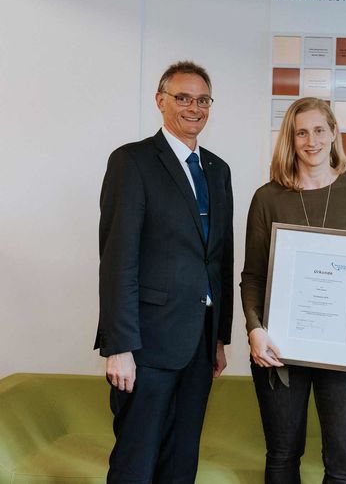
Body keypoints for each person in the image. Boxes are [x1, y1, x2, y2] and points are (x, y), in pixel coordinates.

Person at [95, 60, 233, 483]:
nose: (194, 107)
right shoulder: (132, 162)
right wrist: (119, 346)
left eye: (203, 100)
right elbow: (118, 258)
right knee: (137, 461)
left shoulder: (218, 169)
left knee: (181, 460)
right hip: (146, 346)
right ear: (160, 101)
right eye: (183, 98)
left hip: (199, 341)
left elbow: (221, 257)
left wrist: (220, 337)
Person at [241, 97, 346, 483]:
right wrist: (255, 330)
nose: (311, 141)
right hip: (279, 347)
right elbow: (252, 275)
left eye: (319, 130)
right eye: (301, 132)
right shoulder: (267, 198)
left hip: (341, 348)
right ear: (291, 138)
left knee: (344, 462)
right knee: (283, 455)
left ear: (334, 132)